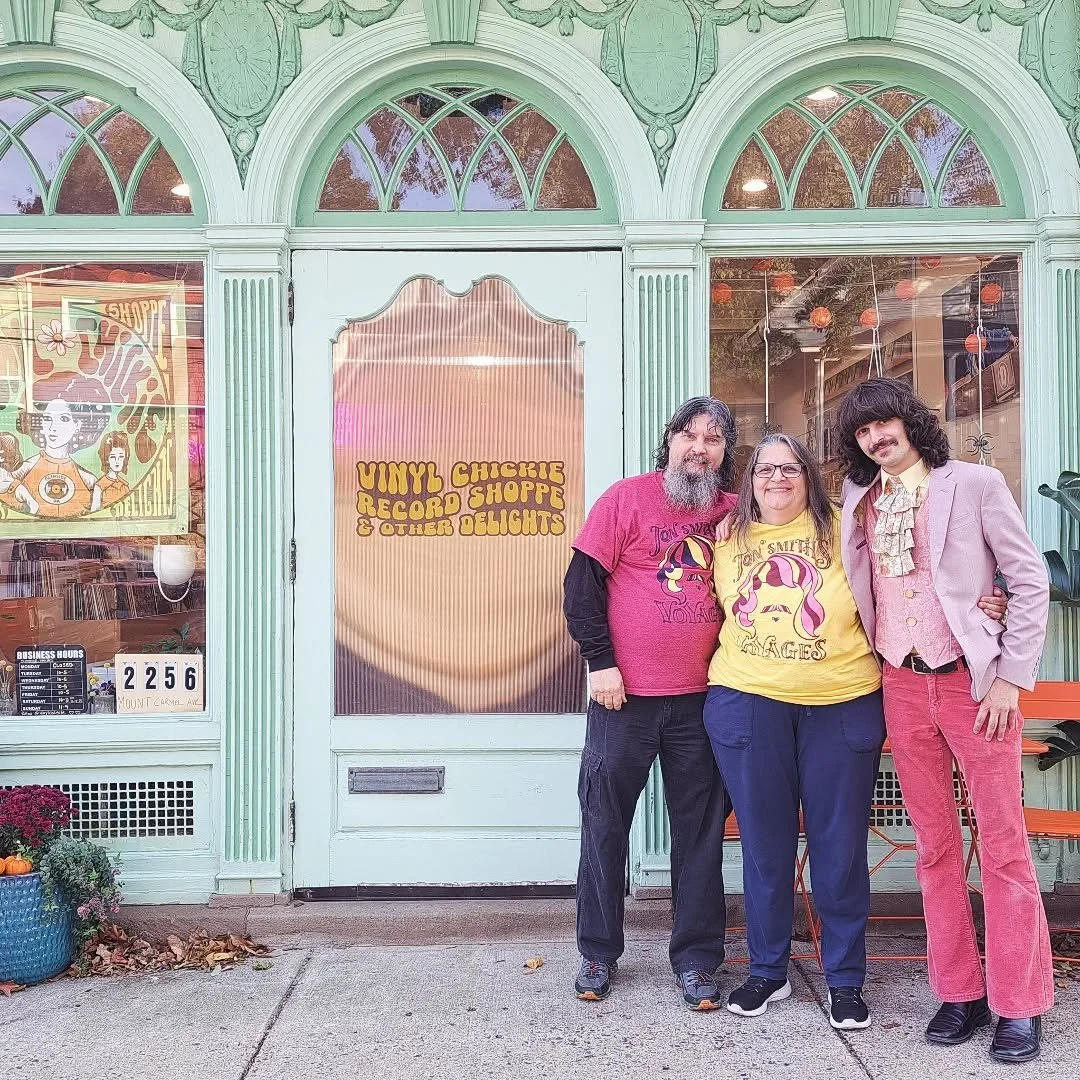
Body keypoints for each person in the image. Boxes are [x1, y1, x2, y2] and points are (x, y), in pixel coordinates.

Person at [837, 377, 1052, 1064]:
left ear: (909, 421)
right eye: (863, 432)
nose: (876, 437)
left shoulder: (975, 483)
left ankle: (1019, 1004)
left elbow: (1028, 578)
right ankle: (958, 991)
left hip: (973, 686)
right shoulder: (860, 500)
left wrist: (1012, 678)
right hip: (901, 683)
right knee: (934, 848)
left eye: (884, 422)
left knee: (1004, 847)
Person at [703, 433, 885, 1031]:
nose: (776, 478)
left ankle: (845, 980)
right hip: (750, 701)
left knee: (838, 847)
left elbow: (915, 584)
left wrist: (991, 602)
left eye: (789, 468)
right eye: (763, 470)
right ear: (748, 481)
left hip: (841, 700)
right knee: (764, 843)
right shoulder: (725, 539)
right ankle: (767, 970)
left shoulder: (849, 532)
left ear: (809, 475)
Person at [563, 396, 738, 1009]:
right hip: (623, 699)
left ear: (724, 453)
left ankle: (695, 962)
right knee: (605, 825)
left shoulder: (735, 513)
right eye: (688, 434)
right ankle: (596, 953)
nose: (699, 446)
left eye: (713, 438)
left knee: (700, 834)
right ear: (668, 442)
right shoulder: (626, 499)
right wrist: (600, 663)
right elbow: (580, 585)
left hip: (704, 701)